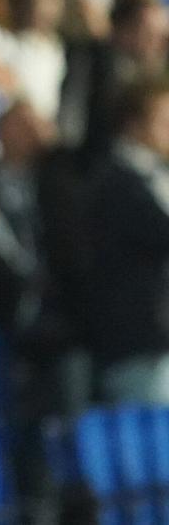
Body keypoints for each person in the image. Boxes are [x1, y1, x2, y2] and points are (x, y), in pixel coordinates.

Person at [84, 80, 169, 403]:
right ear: (133, 124)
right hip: (144, 350)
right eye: (163, 119)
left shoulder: (157, 175)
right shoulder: (114, 183)